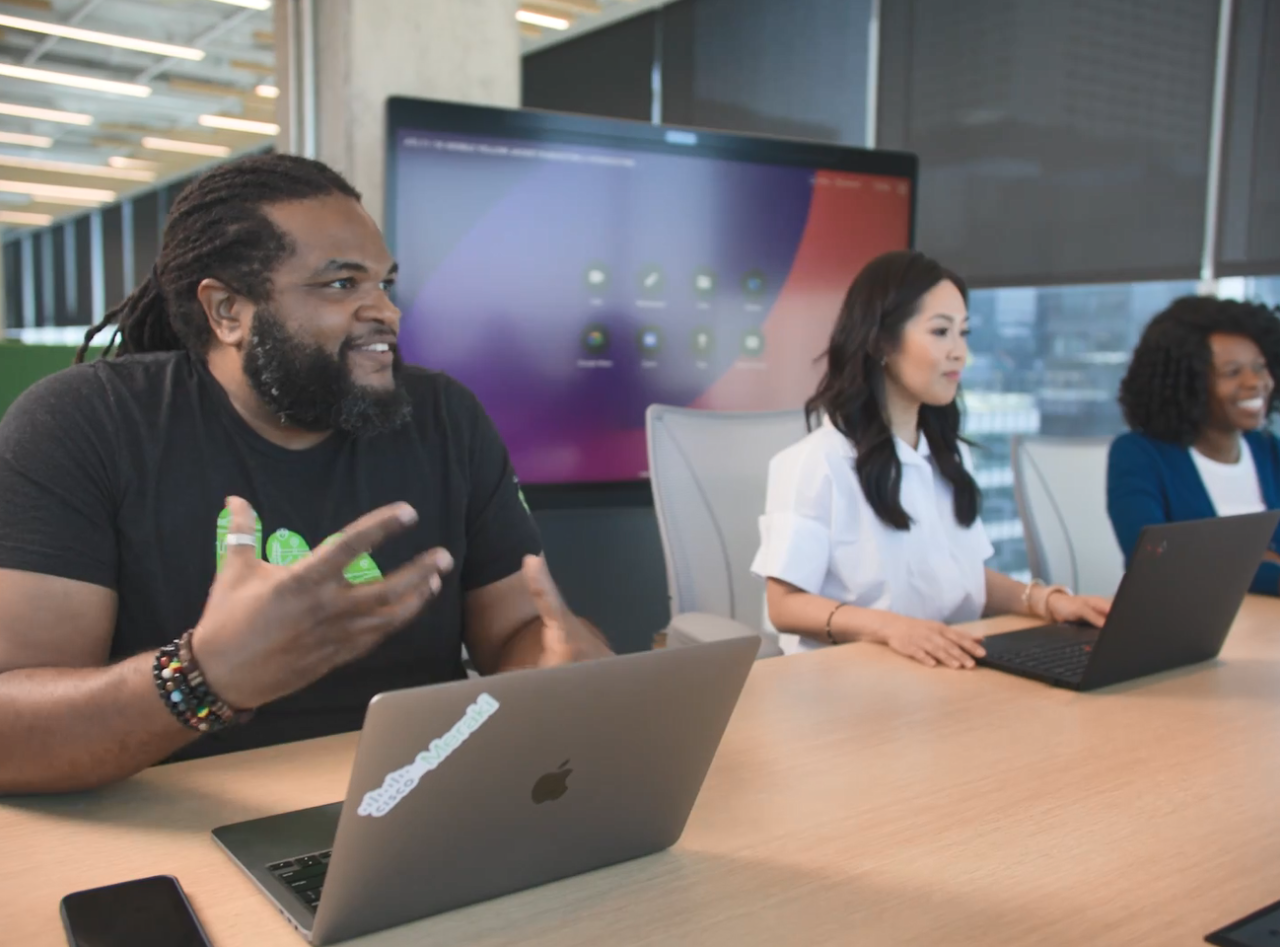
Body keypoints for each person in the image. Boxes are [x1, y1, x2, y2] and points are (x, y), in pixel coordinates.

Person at [0, 153, 610, 795]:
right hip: (175, 819)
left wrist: (558, 664)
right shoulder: (85, 424)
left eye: (385, 284)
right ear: (227, 311)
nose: (387, 313)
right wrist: (202, 678)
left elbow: (518, 627)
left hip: (412, 802)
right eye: (342, 285)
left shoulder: (444, 417)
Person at [750, 250, 1111, 666]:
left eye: (964, 333)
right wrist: (890, 627)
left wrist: (1043, 601)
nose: (960, 353)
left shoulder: (948, 456)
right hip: (847, 683)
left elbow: (962, 577)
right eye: (941, 332)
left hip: (943, 667)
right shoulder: (815, 462)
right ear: (883, 341)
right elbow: (786, 605)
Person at [1108, 295, 1280, 594]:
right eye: (1232, 372)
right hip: (1187, 631)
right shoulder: (1139, 455)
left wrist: (1228, 562)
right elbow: (1157, 564)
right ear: (1187, 383)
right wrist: (1266, 564)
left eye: (1260, 367)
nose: (1256, 383)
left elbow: (1201, 564)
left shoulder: (1267, 449)